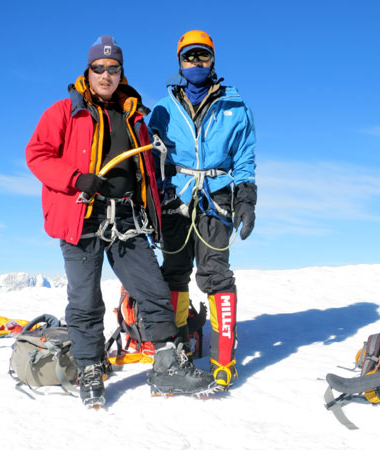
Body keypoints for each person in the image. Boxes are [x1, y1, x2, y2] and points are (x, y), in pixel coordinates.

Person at [25, 35, 214, 407]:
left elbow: (147, 168)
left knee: (154, 292)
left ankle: (166, 366)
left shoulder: (135, 117)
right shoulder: (64, 111)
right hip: (82, 216)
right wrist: (76, 178)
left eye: (113, 69)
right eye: (99, 68)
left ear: (121, 73)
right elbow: (37, 154)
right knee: (84, 299)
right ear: (88, 71)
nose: (106, 75)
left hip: (128, 217)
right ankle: (90, 367)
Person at [148, 30, 257, 391]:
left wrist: (246, 199)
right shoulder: (162, 109)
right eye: (189, 57)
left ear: (213, 60)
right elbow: (153, 157)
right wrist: (153, 198)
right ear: (179, 63)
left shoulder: (235, 107)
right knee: (175, 273)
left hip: (217, 198)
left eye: (203, 56)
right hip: (174, 198)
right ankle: (178, 352)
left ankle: (223, 362)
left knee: (216, 275)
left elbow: (244, 158)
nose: (196, 63)